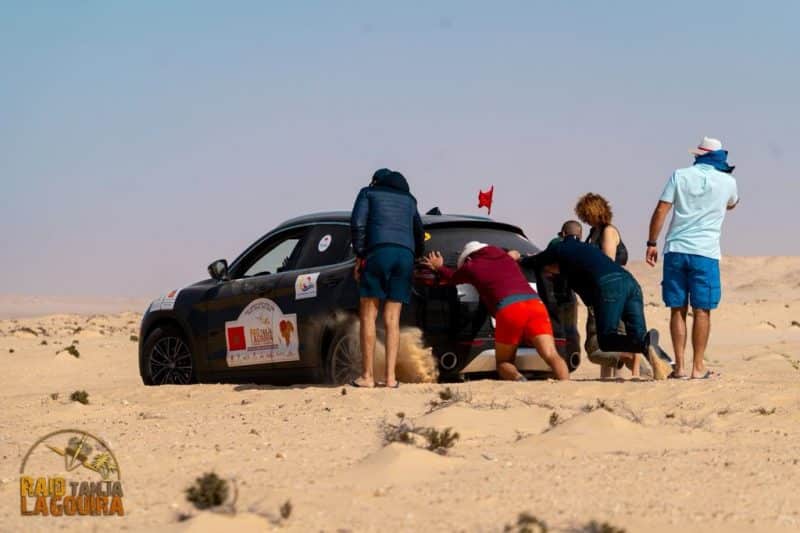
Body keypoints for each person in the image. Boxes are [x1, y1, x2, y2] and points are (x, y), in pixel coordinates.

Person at [646, 136, 739, 379]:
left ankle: (680, 366)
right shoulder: (728, 182)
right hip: (705, 253)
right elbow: (732, 204)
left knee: (677, 309)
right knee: (702, 310)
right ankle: (698, 367)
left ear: (699, 155)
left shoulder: (680, 175)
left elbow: (661, 210)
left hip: (676, 248)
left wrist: (651, 242)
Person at [522, 235, 673, 380]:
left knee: (606, 340)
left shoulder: (560, 248)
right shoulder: (583, 257)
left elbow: (538, 260)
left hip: (610, 286)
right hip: (631, 283)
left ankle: (646, 345)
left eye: (548, 271)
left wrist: (521, 259)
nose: (549, 275)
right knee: (639, 337)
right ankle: (668, 366)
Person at [421, 242, 569, 381]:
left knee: (504, 363)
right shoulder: (505, 257)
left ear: (469, 257)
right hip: (536, 304)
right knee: (551, 355)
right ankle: (566, 387)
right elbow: (515, 255)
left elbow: (451, 277)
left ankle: (521, 382)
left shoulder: (471, 266)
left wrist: (439, 267)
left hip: (511, 309)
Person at [350, 168, 425, 388]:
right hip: (405, 256)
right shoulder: (410, 201)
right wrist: (415, 255)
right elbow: (419, 232)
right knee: (393, 319)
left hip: (378, 252)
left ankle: (367, 376)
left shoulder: (368, 193)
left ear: (376, 182)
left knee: (368, 315)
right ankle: (391, 378)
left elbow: (357, 224)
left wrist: (361, 254)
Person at [574, 193, 639, 378]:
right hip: (600, 292)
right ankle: (608, 379)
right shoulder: (594, 232)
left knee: (609, 340)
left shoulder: (607, 232)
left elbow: (607, 263)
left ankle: (635, 367)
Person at [547, 221, 583, 365]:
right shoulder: (580, 248)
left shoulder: (556, 243)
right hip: (569, 295)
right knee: (570, 331)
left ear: (563, 232)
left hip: (554, 294)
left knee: (556, 332)